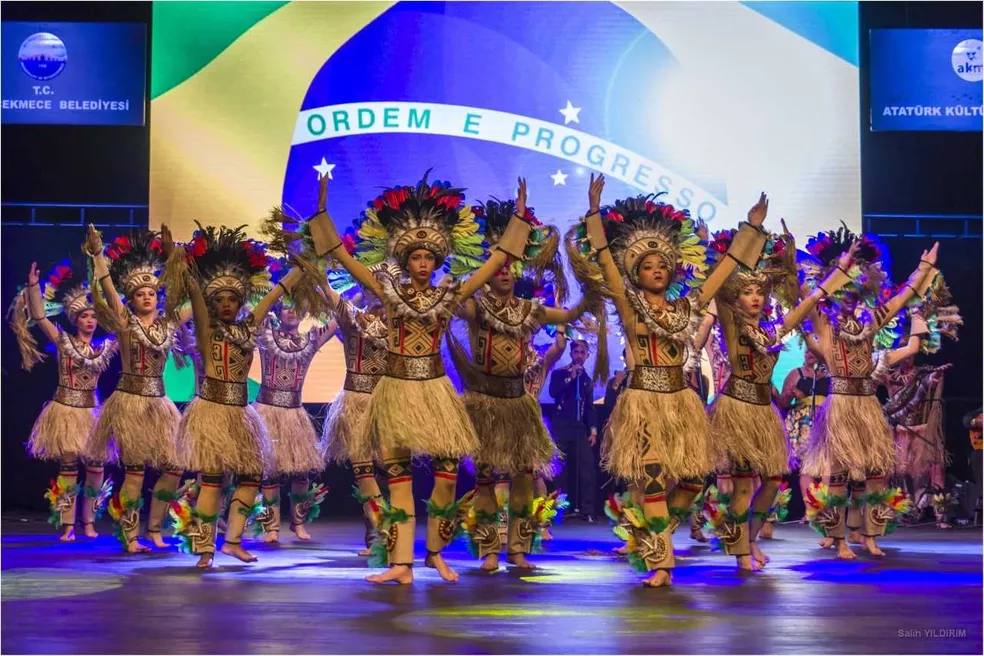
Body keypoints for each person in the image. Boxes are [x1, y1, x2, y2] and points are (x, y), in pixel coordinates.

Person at [307, 172, 534, 585]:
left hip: (435, 390)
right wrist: (322, 211)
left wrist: (519, 220)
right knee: (398, 477)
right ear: (406, 261)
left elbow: (495, 263)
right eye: (416, 257)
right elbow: (343, 257)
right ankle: (401, 564)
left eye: (430, 257)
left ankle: (434, 553)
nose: (424, 264)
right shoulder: (387, 291)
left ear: (437, 261)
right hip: (394, 389)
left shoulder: (449, 294)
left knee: (448, 472)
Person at [570, 174, 770, 587]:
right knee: (656, 479)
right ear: (636, 272)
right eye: (648, 266)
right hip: (644, 401)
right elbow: (606, 260)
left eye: (663, 265)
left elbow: (722, 273)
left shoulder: (686, 306)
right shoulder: (629, 306)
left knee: (694, 480)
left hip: (682, 402)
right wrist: (593, 214)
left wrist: (751, 230)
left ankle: (649, 535)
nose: (657, 271)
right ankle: (662, 564)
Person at [452, 205, 596, 571]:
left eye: (508, 268)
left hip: (520, 406)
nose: (503, 273)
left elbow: (568, 317)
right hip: (484, 403)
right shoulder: (476, 308)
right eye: (496, 268)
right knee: (485, 480)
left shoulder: (530, 311)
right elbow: (453, 302)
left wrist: (588, 293)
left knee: (522, 480)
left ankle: (517, 549)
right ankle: (488, 551)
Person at [705, 225, 854, 570]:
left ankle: (750, 539)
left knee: (773, 480)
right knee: (743, 485)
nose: (755, 297)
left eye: (760, 292)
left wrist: (841, 272)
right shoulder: (731, 324)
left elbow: (808, 304)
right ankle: (742, 554)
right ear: (736, 297)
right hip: (738, 409)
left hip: (764, 410)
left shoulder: (773, 330)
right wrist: (752, 232)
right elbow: (719, 284)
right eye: (748, 292)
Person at [162, 223, 303, 567]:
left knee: (250, 477)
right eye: (220, 299)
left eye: (232, 299)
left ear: (240, 302)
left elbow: (273, 295)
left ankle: (233, 541)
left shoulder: (249, 325)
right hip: (212, 409)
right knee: (212, 480)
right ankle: (205, 548)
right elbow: (194, 291)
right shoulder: (207, 328)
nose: (226, 304)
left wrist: (302, 264)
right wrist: (173, 257)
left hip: (241, 411)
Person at [799, 225, 940, 559]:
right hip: (842, 405)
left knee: (875, 473)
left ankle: (870, 534)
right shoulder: (823, 319)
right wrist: (841, 266)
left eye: (856, 281)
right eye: (845, 281)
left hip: (867, 405)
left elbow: (903, 297)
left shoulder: (870, 321)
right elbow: (809, 293)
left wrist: (925, 269)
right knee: (840, 476)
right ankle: (838, 539)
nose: (851, 288)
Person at [83, 226, 190, 551]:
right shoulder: (124, 320)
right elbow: (107, 286)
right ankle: (130, 536)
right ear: (131, 300)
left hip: (159, 402)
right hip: (130, 402)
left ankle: (155, 527)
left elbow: (193, 296)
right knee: (135, 471)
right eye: (140, 294)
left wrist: (175, 257)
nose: (147, 296)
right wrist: (98, 255)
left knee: (174, 466)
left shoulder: (169, 323)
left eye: (152, 293)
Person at [11, 258, 118, 541]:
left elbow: (125, 324)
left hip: (92, 411)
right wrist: (34, 288)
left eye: (94, 316)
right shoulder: (64, 341)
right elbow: (40, 316)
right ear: (76, 320)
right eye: (85, 316)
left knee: (96, 468)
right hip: (67, 411)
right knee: (69, 468)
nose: (91, 320)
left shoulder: (104, 346)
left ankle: (90, 522)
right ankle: (69, 526)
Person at [251, 257, 336, 543]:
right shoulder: (265, 334)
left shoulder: (311, 340)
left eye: (296, 308)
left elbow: (339, 317)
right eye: (286, 307)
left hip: (295, 413)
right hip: (267, 410)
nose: (290, 312)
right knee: (269, 472)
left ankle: (298, 524)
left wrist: (325, 282)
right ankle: (270, 526)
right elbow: (256, 311)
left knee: (301, 471)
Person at [548, 339, 599, 521]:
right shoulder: (560, 374)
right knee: (560, 470)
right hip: (561, 425)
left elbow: (590, 408)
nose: (578, 355)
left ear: (587, 356)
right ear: (571, 354)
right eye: (576, 352)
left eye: (582, 353)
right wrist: (571, 377)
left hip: (579, 428)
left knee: (587, 469)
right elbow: (554, 392)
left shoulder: (587, 380)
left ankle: (586, 510)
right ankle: (560, 509)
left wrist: (592, 430)